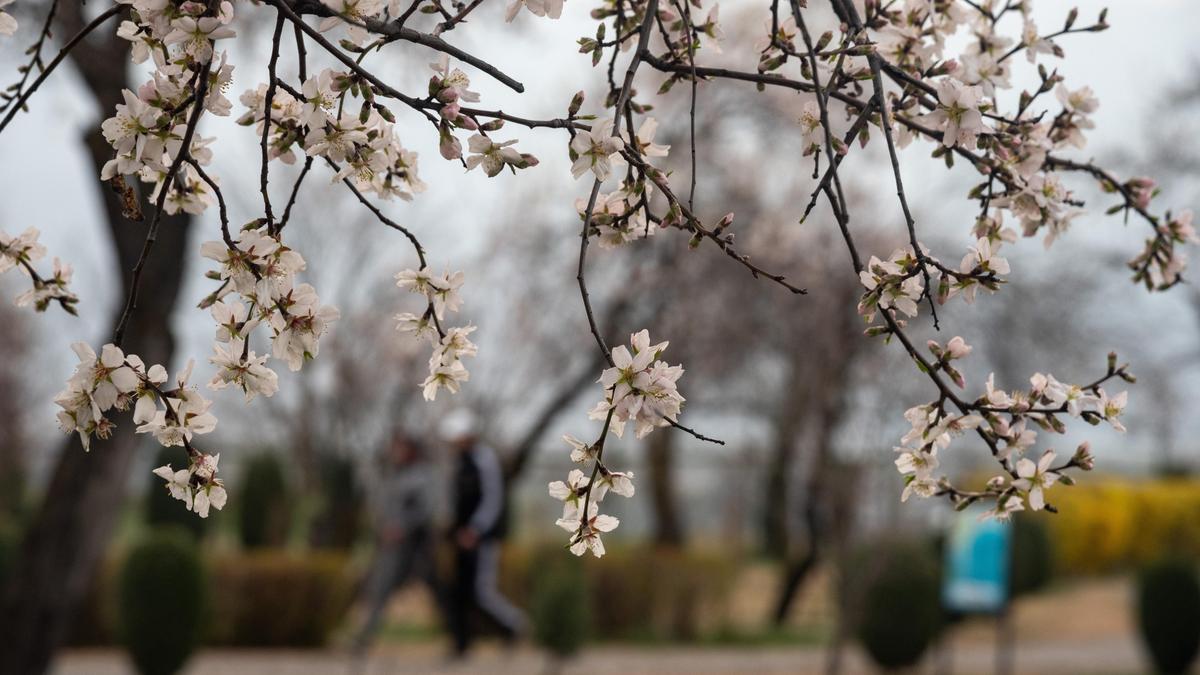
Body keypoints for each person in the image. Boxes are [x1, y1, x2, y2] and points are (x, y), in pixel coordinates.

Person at [441, 408, 526, 657]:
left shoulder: (484, 460)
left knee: (482, 591)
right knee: (461, 590)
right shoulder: (460, 462)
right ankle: (462, 643)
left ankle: (514, 626)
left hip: (481, 537)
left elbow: (492, 500)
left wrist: (475, 529)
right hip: (462, 537)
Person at [352, 431, 442, 654]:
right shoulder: (392, 475)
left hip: (417, 547)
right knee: (379, 589)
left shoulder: (422, 476)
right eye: (394, 448)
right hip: (392, 547)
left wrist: (403, 528)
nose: (396, 453)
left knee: (441, 591)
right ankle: (364, 638)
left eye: (401, 448)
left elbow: (426, 510)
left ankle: (462, 637)